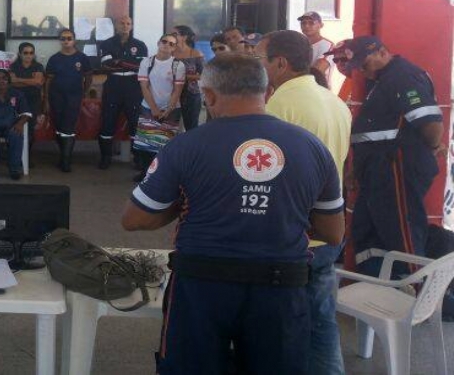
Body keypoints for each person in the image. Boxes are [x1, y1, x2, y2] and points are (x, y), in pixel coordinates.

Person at [121, 54, 344, 375]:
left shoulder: (184, 146)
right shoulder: (313, 147)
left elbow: (135, 219)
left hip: (201, 285)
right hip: (281, 287)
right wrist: (276, 215)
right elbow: (333, 233)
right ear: (267, 92)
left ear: (209, 96)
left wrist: (186, 203)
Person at [257, 30, 352, 375]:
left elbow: (266, 174)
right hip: (328, 229)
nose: (256, 67)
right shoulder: (334, 102)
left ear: (280, 63)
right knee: (321, 322)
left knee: (281, 326)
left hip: (293, 236)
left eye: (259, 59)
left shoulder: (280, 106)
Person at [344, 36, 445, 277]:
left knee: (402, 234)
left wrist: (431, 147)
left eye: (364, 63)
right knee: (367, 231)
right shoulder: (381, 79)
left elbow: (431, 123)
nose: (362, 70)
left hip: (395, 165)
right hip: (376, 169)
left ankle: (415, 288)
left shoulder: (402, 76)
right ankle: (374, 285)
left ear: (382, 52)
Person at [97, 16, 148, 169]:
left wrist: (118, 61)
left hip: (133, 86)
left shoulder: (140, 45)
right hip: (113, 85)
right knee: (108, 121)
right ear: (116, 26)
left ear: (131, 26)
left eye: (128, 23)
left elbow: (141, 67)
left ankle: (138, 158)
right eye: (122, 23)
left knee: (135, 123)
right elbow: (106, 65)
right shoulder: (107, 43)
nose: (125, 26)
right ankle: (105, 157)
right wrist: (129, 64)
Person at [132, 34, 186, 180]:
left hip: (171, 110)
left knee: (165, 144)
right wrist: (154, 108)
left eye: (171, 44)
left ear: (174, 48)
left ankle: (162, 176)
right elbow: (144, 86)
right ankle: (145, 173)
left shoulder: (178, 65)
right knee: (146, 143)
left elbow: (177, 90)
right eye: (164, 41)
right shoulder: (146, 62)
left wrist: (168, 109)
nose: (167, 45)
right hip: (148, 107)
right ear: (158, 42)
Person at [45, 28, 91, 172]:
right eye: (63, 38)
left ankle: (66, 162)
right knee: (59, 129)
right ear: (60, 41)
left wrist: (84, 92)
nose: (66, 41)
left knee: (68, 129)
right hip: (56, 97)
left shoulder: (82, 58)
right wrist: (46, 99)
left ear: (74, 40)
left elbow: (88, 76)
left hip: (74, 98)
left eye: (69, 38)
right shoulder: (54, 59)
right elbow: (48, 81)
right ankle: (62, 158)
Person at [9, 42, 45, 156]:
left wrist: (19, 79)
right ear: (20, 54)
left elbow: (38, 82)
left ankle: (27, 157)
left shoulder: (38, 66)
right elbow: (12, 82)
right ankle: (16, 156)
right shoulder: (13, 66)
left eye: (31, 53)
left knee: (30, 130)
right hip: (17, 101)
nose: (29, 55)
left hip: (34, 101)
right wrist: (31, 81)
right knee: (16, 127)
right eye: (26, 53)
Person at [171, 25, 204, 131]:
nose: (171, 36)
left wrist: (184, 77)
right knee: (170, 125)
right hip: (171, 93)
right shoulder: (169, 52)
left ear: (184, 37)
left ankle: (192, 142)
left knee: (191, 126)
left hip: (191, 93)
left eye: (175, 34)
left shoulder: (195, 53)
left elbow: (204, 75)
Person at [299, 12, 333, 85]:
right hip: (300, 87)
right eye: (303, 23)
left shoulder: (327, 45)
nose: (306, 26)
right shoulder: (299, 44)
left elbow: (317, 72)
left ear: (321, 25)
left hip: (319, 89)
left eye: (311, 23)